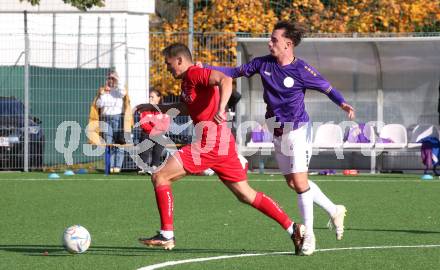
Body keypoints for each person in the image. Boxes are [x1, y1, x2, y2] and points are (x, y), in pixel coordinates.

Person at [201, 21, 356, 256]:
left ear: (288, 44)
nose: (269, 42)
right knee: (293, 183)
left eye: (274, 39)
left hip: (298, 130)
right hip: (277, 130)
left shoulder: (302, 69)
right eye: (270, 39)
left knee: (301, 184)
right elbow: (235, 72)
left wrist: (343, 103)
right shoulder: (263, 63)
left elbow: (327, 88)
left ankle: (310, 237)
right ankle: (334, 209)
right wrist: (205, 68)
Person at [136, 43, 305, 254]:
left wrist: (221, 107)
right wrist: (156, 108)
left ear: (179, 60)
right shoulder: (188, 81)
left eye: (169, 64)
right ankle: (293, 229)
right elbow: (187, 108)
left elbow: (226, 79)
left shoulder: (196, 73)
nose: (168, 68)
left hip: (210, 143)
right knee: (245, 194)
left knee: (160, 176)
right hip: (222, 144)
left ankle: (166, 234)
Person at [95, 70, 127, 173]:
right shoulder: (103, 91)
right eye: (109, 78)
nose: (111, 80)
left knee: (119, 141)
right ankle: (110, 166)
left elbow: (123, 93)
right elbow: (99, 104)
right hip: (106, 118)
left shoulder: (118, 90)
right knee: (108, 142)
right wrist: (102, 94)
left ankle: (117, 166)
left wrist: (117, 80)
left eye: (113, 78)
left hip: (117, 117)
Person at [138, 89, 170, 175]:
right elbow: (143, 124)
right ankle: (142, 168)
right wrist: (155, 127)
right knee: (145, 149)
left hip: (159, 134)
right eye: (149, 96)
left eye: (152, 97)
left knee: (158, 146)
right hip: (147, 133)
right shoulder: (144, 109)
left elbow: (165, 126)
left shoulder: (164, 110)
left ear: (159, 98)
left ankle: (154, 167)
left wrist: (153, 122)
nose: (150, 98)